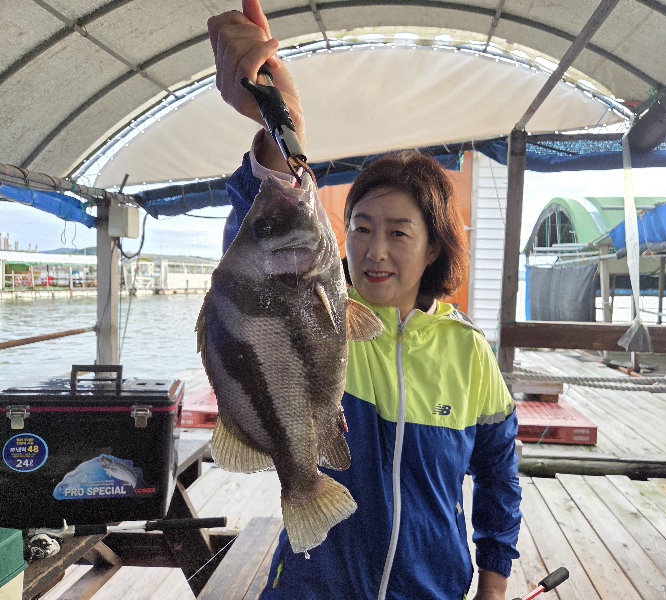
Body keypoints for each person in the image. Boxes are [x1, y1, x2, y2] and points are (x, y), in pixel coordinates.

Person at [208, 2, 522, 599]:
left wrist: (494, 585)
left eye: (399, 233)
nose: (375, 251)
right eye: (360, 228)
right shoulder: (323, 314)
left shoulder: (470, 353)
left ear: (433, 248)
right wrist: (281, 127)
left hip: (432, 589)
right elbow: (257, 260)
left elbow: (499, 476)